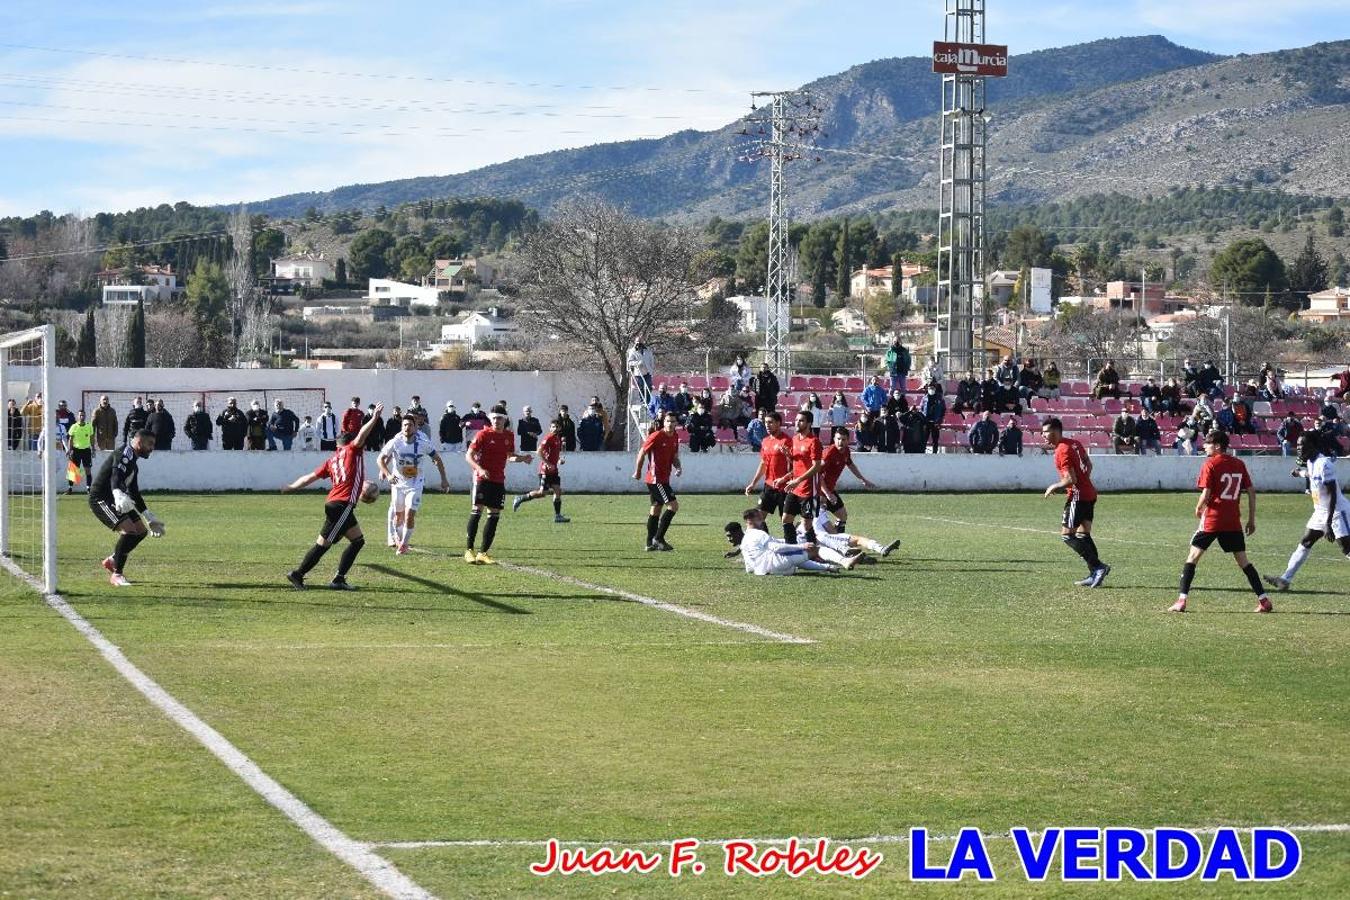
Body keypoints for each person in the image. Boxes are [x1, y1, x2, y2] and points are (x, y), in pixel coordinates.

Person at [282, 404, 385, 591]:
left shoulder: (331, 460)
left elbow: (310, 477)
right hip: (342, 505)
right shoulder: (352, 451)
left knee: (357, 541)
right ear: (349, 443)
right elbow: (361, 435)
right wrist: (374, 418)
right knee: (324, 545)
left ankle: (337, 578)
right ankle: (299, 574)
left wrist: (292, 486)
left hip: (335, 504)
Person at [1169, 431, 1273, 613]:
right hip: (1232, 521)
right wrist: (1251, 519)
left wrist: (1198, 507)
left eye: (1208, 443)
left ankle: (1181, 601)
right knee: (1243, 562)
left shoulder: (1210, 463)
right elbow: (1251, 492)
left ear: (1217, 446)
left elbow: (1206, 493)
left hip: (1213, 519)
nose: (1204, 446)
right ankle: (1264, 600)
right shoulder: (1239, 464)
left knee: (1192, 558)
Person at [1263, 433, 1350, 593]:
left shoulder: (1324, 464)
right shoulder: (1310, 461)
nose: (1299, 448)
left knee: (1347, 549)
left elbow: (1333, 495)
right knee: (1306, 541)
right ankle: (1284, 580)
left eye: (1303, 445)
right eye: (1298, 444)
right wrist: (1299, 473)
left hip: (1337, 512)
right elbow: (1312, 475)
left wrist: (1328, 523)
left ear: (1313, 445)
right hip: (1320, 512)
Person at [89, 428, 163, 586]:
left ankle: (113, 560)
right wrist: (116, 492)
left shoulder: (133, 463)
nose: (152, 448)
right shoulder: (124, 454)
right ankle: (117, 574)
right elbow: (115, 475)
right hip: (101, 499)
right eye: (150, 444)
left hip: (118, 498)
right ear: (138, 442)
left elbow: (134, 492)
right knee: (129, 530)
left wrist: (149, 517)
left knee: (141, 531)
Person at [1042, 417, 1110, 587]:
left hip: (1078, 496)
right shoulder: (1074, 443)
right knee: (1083, 535)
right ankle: (1094, 573)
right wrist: (1084, 480)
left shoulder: (1061, 450)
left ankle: (1098, 567)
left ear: (1056, 432)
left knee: (1067, 535)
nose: (1043, 435)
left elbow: (1070, 480)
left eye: (1046, 432)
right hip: (1089, 493)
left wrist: (1054, 486)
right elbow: (1089, 464)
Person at [464, 410, 532, 565]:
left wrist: (522, 459)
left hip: (498, 480)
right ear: (490, 419)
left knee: (494, 514)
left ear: (505, 420)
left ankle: (483, 553)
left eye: (499, 418)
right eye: (494, 418)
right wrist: (480, 469)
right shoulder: (483, 434)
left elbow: (510, 456)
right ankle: (469, 550)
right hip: (482, 478)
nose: (496, 421)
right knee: (477, 510)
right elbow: (468, 455)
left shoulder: (509, 436)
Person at [377, 412, 450, 553]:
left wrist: (444, 479)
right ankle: (395, 537)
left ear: (416, 426)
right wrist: (387, 473)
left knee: (409, 513)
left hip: (415, 483)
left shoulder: (423, 442)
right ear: (401, 426)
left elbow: (437, 459)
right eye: (405, 425)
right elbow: (381, 458)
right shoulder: (396, 441)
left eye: (410, 425)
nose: (407, 427)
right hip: (398, 482)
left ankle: (404, 544)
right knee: (398, 516)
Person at [725, 508, 840, 575]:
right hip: (775, 566)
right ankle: (844, 561)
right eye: (759, 517)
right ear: (750, 520)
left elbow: (749, 568)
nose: (762, 519)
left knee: (794, 557)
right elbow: (776, 547)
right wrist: (802, 546)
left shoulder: (746, 540)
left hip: (766, 570)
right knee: (814, 550)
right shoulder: (759, 534)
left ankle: (828, 567)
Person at [632, 411, 682, 550]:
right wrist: (638, 471)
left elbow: (674, 456)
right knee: (673, 506)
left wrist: (678, 467)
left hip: (664, 478)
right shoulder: (656, 436)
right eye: (668, 421)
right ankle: (658, 538)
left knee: (655, 510)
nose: (670, 424)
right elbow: (642, 452)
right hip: (656, 479)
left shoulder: (675, 437)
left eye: (673, 421)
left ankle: (649, 544)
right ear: (663, 422)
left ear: (676, 423)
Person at [817, 426, 877, 533]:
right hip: (819, 491)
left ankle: (837, 541)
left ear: (848, 440)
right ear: (834, 439)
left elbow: (850, 464)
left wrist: (862, 479)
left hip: (830, 491)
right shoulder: (829, 453)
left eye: (843, 439)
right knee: (817, 522)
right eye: (838, 439)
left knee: (842, 516)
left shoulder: (846, 452)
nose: (840, 442)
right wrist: (827, 494)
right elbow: (817, 474)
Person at [780, 410, 824, 546]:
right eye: (796, 420)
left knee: (806, 525)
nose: (797, 423)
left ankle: (814, 552)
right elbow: (797, 463)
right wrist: (788, 455)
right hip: (795, 488)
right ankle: (792, 550)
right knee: (786, 519)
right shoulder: (794, 439)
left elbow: (817, 466)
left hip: (809, 490)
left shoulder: (814, 441)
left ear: (809, 423)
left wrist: (797, 480)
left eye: (801, 420)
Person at [513, 418, 569, 523]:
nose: (555, 428)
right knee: (542, 493)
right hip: (545, 471)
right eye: (553, 427)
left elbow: (552, 455)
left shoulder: (557, 438)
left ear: (560, 428)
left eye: (557, 427)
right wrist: (547, 464)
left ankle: (558, 516)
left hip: (554, 470)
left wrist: (559, 460)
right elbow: (539, 452)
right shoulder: (548, 438)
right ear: (550, 427)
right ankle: (520, 498)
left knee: (558, 491)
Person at [744, 410, 791, 521]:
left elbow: (795, 465)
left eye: (770, 422)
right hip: (769, 486)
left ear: (778, 423)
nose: (767, 425)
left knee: (785, 520)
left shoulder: (786, 441)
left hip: (784, 487)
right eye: (766, 422)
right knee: (758, 517)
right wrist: (753, 483)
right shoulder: (765, 441)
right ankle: (763, 538)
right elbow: (764, 463)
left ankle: (799, 535)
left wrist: (788, 456)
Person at [66, 408, 94, 493]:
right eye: (80, 415)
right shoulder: (74, 426)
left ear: (85, 416)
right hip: (76, 450)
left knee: (87, 470)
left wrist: (93, 448)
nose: (82, 416)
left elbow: (91, 438)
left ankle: (88, 488)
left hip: (86, 450)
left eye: (83, 415)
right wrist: (69, 450)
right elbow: (70, 439)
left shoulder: (89, 426)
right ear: (78, 416)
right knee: (73, 470)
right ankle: (70, 488)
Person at [919, 383, 945, 454]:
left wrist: (940, 420)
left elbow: (943, 409)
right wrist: (923, 419)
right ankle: (922, 452)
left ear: (935, 389)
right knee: (924, 439)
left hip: (935, 422)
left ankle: (934, 453)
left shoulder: (939, 398)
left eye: (933, 389)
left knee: (935, 440)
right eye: (930, 388)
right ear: (927, 389)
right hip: (926, 421)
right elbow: (921, 409)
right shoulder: (924, 398)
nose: (931, 390)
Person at [627, 339, 655, 403]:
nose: (639, 343)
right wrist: (638, 363)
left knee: (649, 386)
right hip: (639, 373)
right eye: (637, 341)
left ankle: (648, 401)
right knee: (641, 387)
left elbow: (651, 359)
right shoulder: (632, 351)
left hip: (648, 371)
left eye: (640, 341)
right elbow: (630, 362)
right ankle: (643, 401)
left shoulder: (647, 350)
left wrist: (652, 368)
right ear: (635, 342)